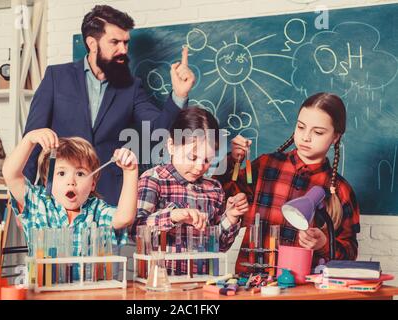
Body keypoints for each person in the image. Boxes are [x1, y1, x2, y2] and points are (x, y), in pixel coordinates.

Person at [23, 5, 195, 205]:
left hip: (109, 195)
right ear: (92, 43)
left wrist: (179, 95)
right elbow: (33, 138)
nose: (123, 50)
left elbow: (158, 129)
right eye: (115, 42)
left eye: (126, 43)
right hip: (60, 190)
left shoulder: (131, 87)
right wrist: (23, 196)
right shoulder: (56, 77)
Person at [215, 92, 360, 272]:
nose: (306, 137)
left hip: (303, 290)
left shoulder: (339, 190)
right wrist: (232, 160)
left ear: (335, 137)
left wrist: (324, 243)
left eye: (318, 132)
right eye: (301, 127)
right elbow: (217, 196)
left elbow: (350, 253)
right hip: (252, 283)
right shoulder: (266, 165)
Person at [132, 107, 248, 275]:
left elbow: (220, 246)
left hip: (202, 283)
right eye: (192, 157)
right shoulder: (154, 179)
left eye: (208, 159)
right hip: (160, 283)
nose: (200, 166)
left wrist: (230, 217)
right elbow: (135, 231)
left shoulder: (214, 189)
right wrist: (172, 216)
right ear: (171, 145)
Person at [2, 128, 138, 258]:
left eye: (80, 173)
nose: (71, 181)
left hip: (89, 283)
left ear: (93, 184)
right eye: (61, 173)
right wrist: (29, 139)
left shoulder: (97, 210)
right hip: (44, 282)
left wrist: (130, 171)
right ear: (46, 181)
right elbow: (10, 174)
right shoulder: (38, 202)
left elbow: (124, 217)